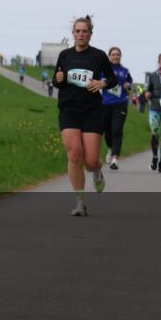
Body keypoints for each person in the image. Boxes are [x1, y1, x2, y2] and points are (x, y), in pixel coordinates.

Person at [52, 15, 118, 216]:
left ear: (90, 34)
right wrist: (59, 79)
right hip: (69, 110)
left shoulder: (98, 56)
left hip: (92, 111)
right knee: (74, 154)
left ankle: (97, 172)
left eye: (84, 31)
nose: (81, 34)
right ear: (73, 33)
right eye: (77, 31)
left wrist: (102, 83)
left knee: (90, 161)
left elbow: (112, 78)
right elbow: (57, 82)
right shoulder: (64, 55)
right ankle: (80, 202)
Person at [100, 46, 133, 170]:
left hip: (120, 103)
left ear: (120, 56)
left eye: (117, 54)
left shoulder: (125, 71)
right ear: (109, 56)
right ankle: (110, 148)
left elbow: (130, 83)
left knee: (117, 130)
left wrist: (128, 85)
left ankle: (115, 158)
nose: (115, 56)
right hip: (105, 104)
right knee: (107, 132)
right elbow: (98, 81)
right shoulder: (103, 70)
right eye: (113, 54)